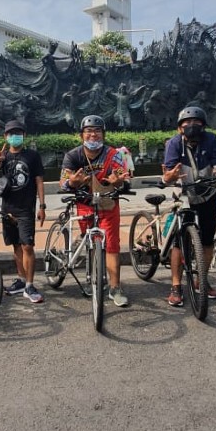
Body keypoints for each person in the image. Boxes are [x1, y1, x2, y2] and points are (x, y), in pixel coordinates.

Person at [59, 115, 131, 307]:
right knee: (90, 241)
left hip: (108, 204)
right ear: (81, 135)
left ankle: (115, 288)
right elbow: (63, 182)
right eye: (89, 131)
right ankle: (90, 277)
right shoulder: (73, 156)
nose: (93, 135)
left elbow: (124, 178)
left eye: (97, 131)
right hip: (84, 203)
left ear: (103, 134)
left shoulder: (114, 154)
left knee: (112, 246)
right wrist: (71, 183)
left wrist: (120, 182)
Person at [161, 106, 216, 307]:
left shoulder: (211, 140)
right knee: (179, 243)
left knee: (207, 240)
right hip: (184, 194)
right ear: (180, 128)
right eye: (186, 123)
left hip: (207, 193)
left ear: (204, 126)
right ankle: (175, 285)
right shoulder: (174, 144)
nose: (192, 126)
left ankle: (202, 279)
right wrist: (169, 177)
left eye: (197, 123)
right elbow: (168, 173)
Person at [0, 119, 46, 303]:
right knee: (15, 245)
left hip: (25, 209)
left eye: (18, 133)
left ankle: (30, 285)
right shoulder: (4, 155)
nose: (15, 136)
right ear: (5, 136)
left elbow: (39, 180)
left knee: (27, 246)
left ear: (23, 135)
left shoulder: (32, 156)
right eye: (11, 133)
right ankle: (21, 280)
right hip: (7, 208)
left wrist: (42, 206)